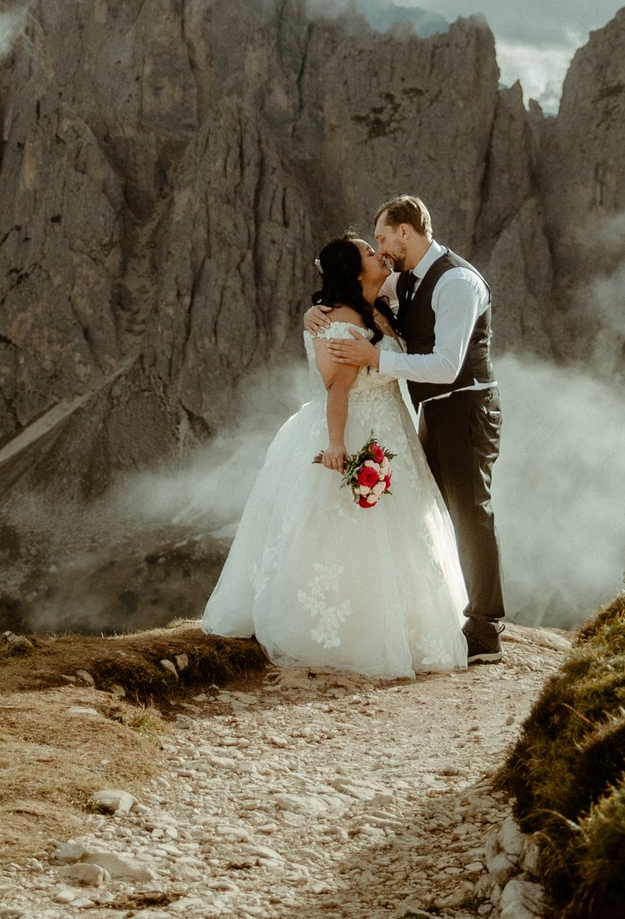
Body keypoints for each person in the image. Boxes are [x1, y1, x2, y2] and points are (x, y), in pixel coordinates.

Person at [199, 235, 469, 677]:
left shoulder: (378, 303)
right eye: (367, 251)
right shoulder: (340, 323)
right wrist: (339, 444)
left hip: (391, 428)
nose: (377, 253)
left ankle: (400, 619)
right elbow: (338, 388)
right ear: (354, 271)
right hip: (357, 430)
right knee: (348, 531)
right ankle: (348, 630)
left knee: (394, 532)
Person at [314, 195, 504, 662]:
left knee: (470, 511)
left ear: (405, 231)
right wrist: (314, 312)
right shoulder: (407, 279)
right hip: (435, 413)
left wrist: (376, 359)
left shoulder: (457, 281)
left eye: (382, 237)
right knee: (432, 509)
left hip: (465, 406)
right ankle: (433, 615)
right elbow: (354, 294)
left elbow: (445, 365)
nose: (380, 248)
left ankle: (486, 629)